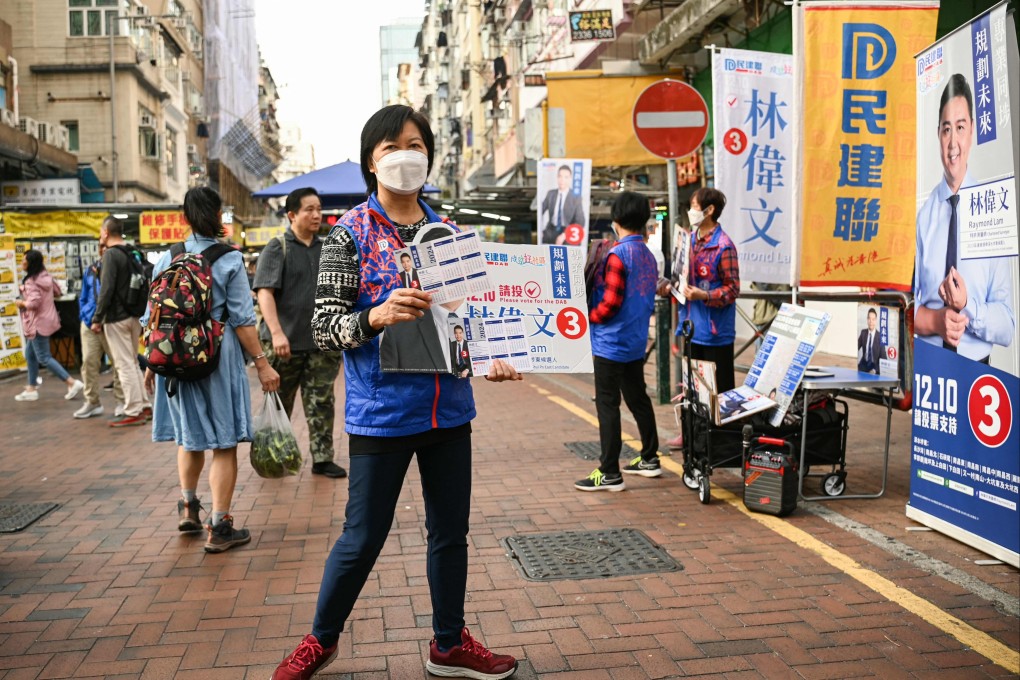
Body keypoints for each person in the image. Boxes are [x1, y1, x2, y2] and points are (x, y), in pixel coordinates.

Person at [272, 104, 521, 680]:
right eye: (391, 148)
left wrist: (497, 357)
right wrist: (376, 315)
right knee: (361, 538)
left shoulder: (452, 236)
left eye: (415, 143)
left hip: (449, 412)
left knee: (449, 534)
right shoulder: (348, 235)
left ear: (429, 155)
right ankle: (320, 640)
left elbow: (471, 323)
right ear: (372, 162)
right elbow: (325, 327)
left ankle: (448, 643)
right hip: (381, 414)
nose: (405, 154)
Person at [143, 187, 280, 553]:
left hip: (172, 362)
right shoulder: (229, 260)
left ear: (184, 218)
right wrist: (263, 364)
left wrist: (150, 364)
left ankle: (189, 507)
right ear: (218, 216)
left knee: (189, 437)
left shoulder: (165, 259)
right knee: (223, 442)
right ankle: (220, 526)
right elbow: (242, 321)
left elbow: (150, 318)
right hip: (216, 359)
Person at [915, 73, 1015, 361]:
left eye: (960, 127)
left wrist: (968, 304)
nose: (953, 142)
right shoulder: (924, 218)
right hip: (931, 371)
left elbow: (1007, 325)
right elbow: (908, 308)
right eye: (947, 130)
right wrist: (937, 322)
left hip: (978, 377)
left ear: (972, 129)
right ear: (938, 134)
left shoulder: (994, 211)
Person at [254, 187, 347, 479]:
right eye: (309, 209)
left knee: (322, 402)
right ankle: (272, 455)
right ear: (292, 214)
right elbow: (264, 293)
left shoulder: (328, 247)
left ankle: (322, 458)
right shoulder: (277, 247)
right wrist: (277, 333)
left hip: (321, 344)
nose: (317, 214)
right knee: (280, 401)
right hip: (285, 344)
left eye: (319, 208)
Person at [575, 191, 661, 492]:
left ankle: (609, 471)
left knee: (608, 405)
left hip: (610, 343)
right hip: (635, 341)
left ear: (617, 219)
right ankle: (650, 457)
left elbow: (609, 304)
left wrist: (587, 316)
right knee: (638, 399)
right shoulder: (648, 256)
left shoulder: (616, 255)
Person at [675, 187, 740, 393]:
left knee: (717, 395)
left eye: (694, 207)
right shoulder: (689, 240)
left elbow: (732, 289)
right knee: (695, 395)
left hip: (715, 333)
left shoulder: (723, 246)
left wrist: (704, 295)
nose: (691, 212)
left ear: (709, 210)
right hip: (692, 329)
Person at [91, 216, 149, 427]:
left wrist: (97, 318)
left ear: (106, 232)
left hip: (116, 317)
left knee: (124, 364)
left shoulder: (111, 256)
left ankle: (134, 409)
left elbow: (106, 290)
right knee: (132, 361)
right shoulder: (132, 252)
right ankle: (144, 404)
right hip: (135, 315)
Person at [13, 250, 84, 402]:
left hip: (37, 322)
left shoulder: (31, 281)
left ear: (30, 264)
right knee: (30, 354)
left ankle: (71, 382)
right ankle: (31, 388)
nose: (22, 264)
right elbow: (58, 291)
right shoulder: (46, 276)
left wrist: (21, 303)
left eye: (24, 261)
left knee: (44, 357)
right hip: (48, 320)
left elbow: (34, 302)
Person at [74, 244, 123, 418]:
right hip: (89, 323)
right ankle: (92, 402)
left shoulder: (117, 269)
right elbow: (84, 295)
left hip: (110, 323)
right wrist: (86, 316)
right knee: (88, 362)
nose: (104, 250)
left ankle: (121, 400)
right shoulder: (91, 269)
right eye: (101, 247)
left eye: (106, 247)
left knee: (118, 364)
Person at [540, 164, 584, 245]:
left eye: (566, 177)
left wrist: (565, 235)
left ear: (570, 179)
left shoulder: (576, 197)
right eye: (560, 176)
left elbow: (580, 222)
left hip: (568, 231)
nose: (562, 180)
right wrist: (539, 230)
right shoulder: (551, 194)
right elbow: (539, 211)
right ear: (557, 177)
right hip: (551, 229)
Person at [857, 307, 884, 374]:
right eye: (869, 318)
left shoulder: (880, 337)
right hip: (863, 365)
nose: (871, 321)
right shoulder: (863, 333)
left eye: (873, 319)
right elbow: (855, 347)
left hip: (874, 367)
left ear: (876, 320)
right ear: (867, 319)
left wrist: (875, 370)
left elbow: (883, 358)